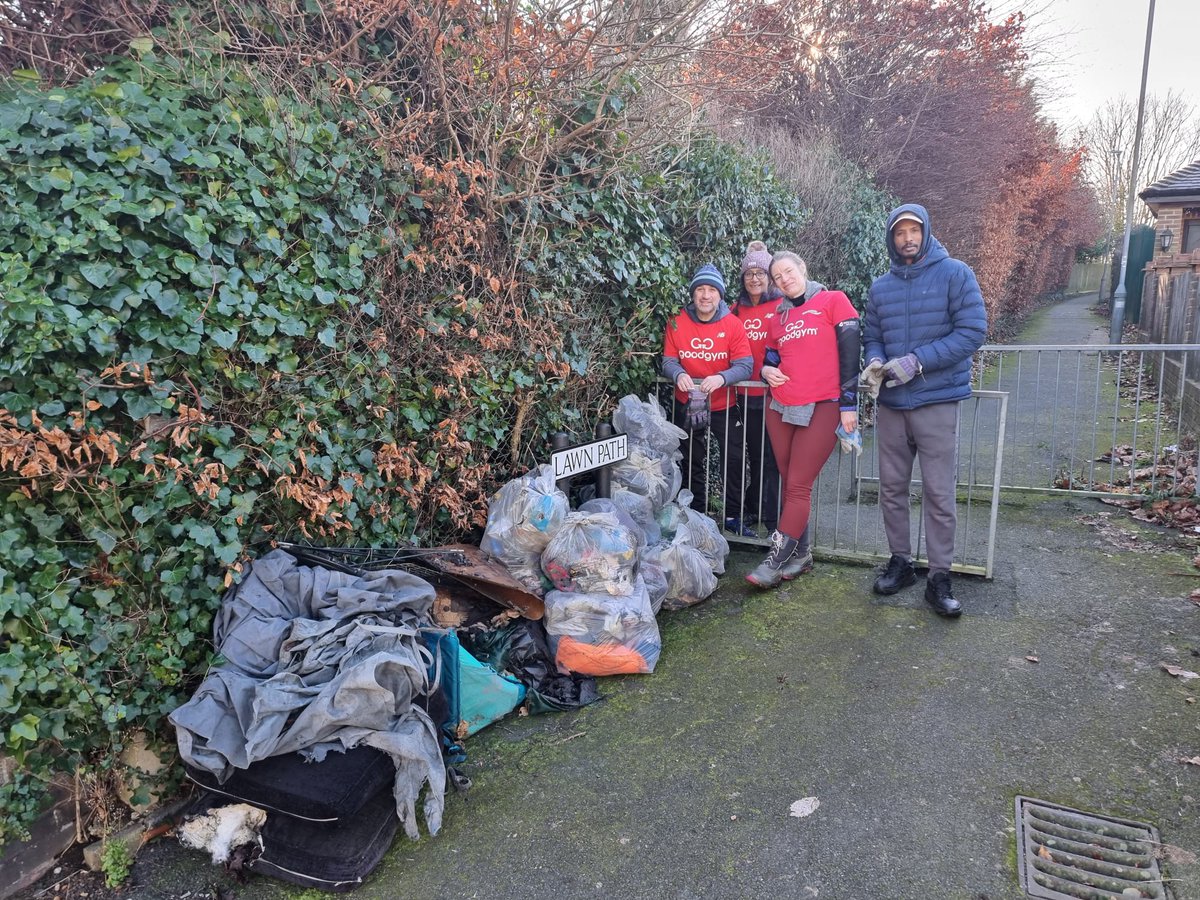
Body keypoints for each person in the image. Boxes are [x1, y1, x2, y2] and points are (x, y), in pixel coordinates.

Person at [861, 203, 988, 618]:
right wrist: (876, 362)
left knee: (938, 492)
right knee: (892, 490)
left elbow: (972, 331)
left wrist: (918, 360)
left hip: (936, 399)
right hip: (893, 403)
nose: (908, 239)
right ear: (891, 239)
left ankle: (939, 577)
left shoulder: (956, 273)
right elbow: (873, 336)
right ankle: (901, 562)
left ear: (927, 232)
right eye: (900, 233)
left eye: (914, 231)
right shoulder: (880, 288)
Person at [746, 251, 860, 588]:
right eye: (777, 277)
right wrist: (766, 369)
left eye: (787, 272)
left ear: (803, 268)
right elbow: (770, 355)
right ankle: (802, 553)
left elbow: (851, 352)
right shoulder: (777, 318)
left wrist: (849, 404)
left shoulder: (833, 300)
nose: (784, 279)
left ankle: (775, 559)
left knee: (797, 486)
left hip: (824, 404)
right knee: (791, 482)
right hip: (780, 407)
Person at [661, 264, 753, 535]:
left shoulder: (733, 324)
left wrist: (723, 377)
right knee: (691, 460)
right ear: (692, 294)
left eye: (711, 290)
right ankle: (694, 513)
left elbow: (746, 365)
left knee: (734, 459)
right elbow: (668, 360)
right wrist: (677, 373)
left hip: (723, 405)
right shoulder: (677, 320)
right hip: (688, 404)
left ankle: (734, 516)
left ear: (720, 295)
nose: (705, 295)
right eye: (700, 289)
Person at [730, 241, 783, 533]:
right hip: (743, 396)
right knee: (753, 455)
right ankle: (754, 507)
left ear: (770, 278)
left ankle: (774, 513)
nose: (754, 278)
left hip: (775, 396)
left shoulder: (781, 305)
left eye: (761, 273)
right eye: (749, 273)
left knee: (773, 457)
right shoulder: (734, 310)